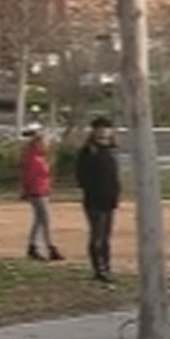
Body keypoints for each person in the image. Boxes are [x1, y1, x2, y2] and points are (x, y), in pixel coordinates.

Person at [76, 116, 120, 282]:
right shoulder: (88, 151)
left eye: (107, 128)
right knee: (97, 236)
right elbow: (81, 177)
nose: (103, 131)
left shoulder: (111, 149)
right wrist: (92, 190)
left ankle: (107, 266)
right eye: (100, 128)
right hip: (94, 200)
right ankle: (99, 268)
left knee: (106, 237)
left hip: (109, 199)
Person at [20, 127, 63, 262]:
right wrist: (28, 191)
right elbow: (29, 176)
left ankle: (34, 246)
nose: (47, 145)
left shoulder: (39, 156)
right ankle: (49, 247)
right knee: (44, 220)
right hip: (37, 192)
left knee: (39, 220)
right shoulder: (33, 157)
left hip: (41, 191)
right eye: (45, 142)